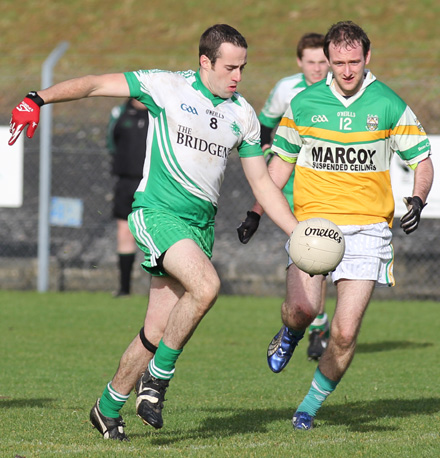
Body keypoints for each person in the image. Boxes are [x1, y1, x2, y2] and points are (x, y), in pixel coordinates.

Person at [8, 24, 298, 441]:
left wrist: (296, 233)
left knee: (156, 332)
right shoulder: (165, 86)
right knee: (207, 285)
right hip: (157, 213)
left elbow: (263, 185)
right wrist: (38, 98)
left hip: (199, 227)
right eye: (230, 67)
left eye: (243, 68)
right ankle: (157, 382)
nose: (237, 76)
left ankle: (107, 407)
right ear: (205, 62)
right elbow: (93, 84)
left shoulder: (243, 115)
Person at [239, 20, 433, 430]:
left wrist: (418, 197)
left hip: (368, 230)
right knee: (302, 310)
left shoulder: (387, 103)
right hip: (312, 227)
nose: (347, 71)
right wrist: (256, 211)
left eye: (354, 62)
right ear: (327, 60)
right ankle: (290, 333)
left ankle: (308, 406)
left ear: (368, 58)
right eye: (339, 62)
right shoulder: (305, 103)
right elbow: (279, 166)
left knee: (344, 333)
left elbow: (422, 160)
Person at [237, 33, 330, 361]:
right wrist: (267, 152)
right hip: (291, 179)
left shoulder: (342, 88)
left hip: (327, 182)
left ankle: (315, 323)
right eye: (311, 62)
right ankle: (314, 321)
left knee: (316, 252)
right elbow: (265, 125)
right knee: (309, 252)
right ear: (299, 62)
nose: (318, 68)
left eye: (323, 61)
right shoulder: (286, 89)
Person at [107, 98, 148, 297]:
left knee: (156, 235)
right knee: (125, 232)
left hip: (153, 184)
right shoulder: (119, 113)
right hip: (126, 182)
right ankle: (124, 289)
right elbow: (111, 143)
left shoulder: (160, 113)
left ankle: (158, 290)